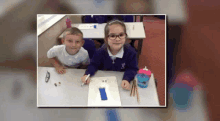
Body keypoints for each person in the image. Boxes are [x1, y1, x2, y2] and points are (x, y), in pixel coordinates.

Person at [81, 20, 139, 90]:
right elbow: (94, 65)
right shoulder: (100, 52)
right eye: (112, 36)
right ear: (106, 38)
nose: (117, 39)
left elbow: (132, 68)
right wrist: (87, 74)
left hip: (119, 83)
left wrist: (127, 79)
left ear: (125, 36)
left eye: (121, 35)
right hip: (103, 82)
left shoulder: (131, 52)